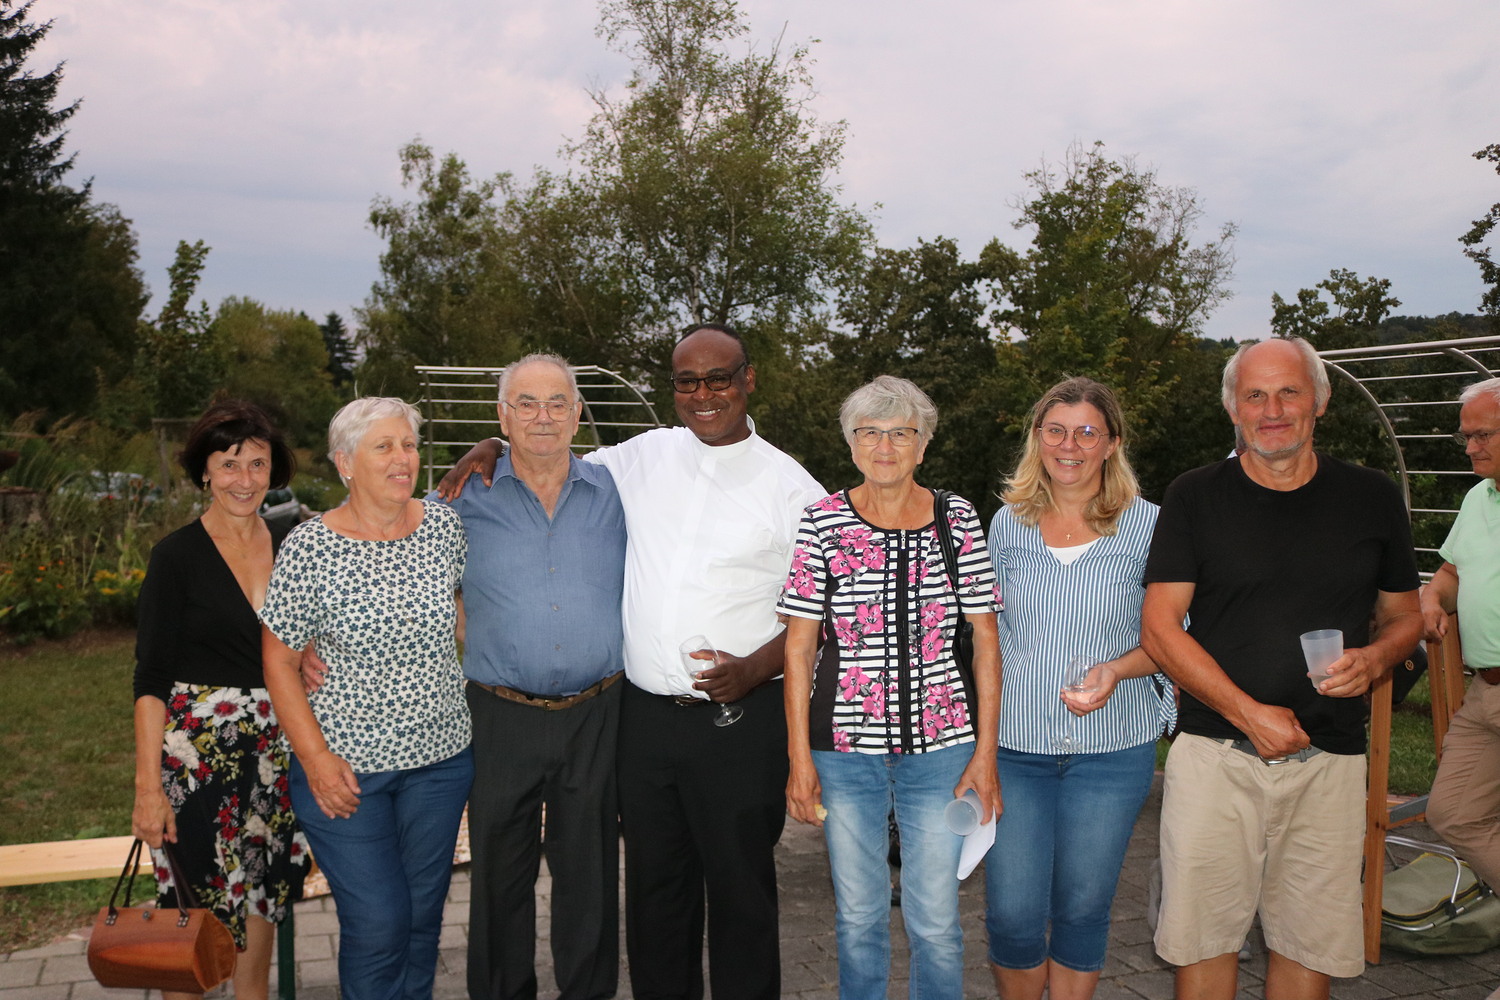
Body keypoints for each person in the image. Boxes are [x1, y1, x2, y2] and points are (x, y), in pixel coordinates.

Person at [440, 324, 825, 1000]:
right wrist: (492, 447)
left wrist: (754, 669)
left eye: (719, 378)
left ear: (748, 380)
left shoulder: (794, 489)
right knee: (655, 894)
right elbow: (546, 451)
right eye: (687, 381)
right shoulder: (642, 456)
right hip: (642, 723)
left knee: (740, 893)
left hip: (738, 723)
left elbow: (823, 614)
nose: (704, 394)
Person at [1141, 336, 1422, 1000]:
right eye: (1255, 395)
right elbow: (1159, 628)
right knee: (1203, 947)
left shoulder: (1372, 496)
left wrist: (1376, 658)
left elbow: (1405, 617)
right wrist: (1248, 714)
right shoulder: (1195, 496)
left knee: (1307, 949)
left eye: (1289, 392)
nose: (1272, 410)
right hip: (1215, 757)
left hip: (1330, 761)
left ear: (1319, 401)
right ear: (1233, 409)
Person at [778, 375, 1001, 1000]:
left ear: (923, 445)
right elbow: (799, 648)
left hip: (943, 750)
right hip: (844, 753)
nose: (884, 447)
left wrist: (985, 755)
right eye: (869, 433)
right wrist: (799, 760)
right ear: (850, 444)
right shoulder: (822, 522)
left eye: (900, 433)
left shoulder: (957, 518)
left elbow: (986, 642)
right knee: (858, 916)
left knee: (936, 921)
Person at [261, 397, 472, 1000]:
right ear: (346, 463)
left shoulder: (444, 529)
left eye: (408, 445)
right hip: (346, 771)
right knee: (379, 922)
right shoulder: (310, 547)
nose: (403, 458)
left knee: (421, 917)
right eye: (384, 446)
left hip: (440, 762)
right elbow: (278, 660)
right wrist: (316, 760)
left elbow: (463, 618)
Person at [983, 377, 1174, 1000]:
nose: (1070, 446)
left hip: (1112, 752)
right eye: (1056, 431)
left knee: (1083, 908)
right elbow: (988, 635)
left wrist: (1116, 670)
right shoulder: (1007, 524)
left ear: (1112, 442)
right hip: (1015, 748)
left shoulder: (1151, 526)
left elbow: (1174, 637)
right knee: (1013, 913)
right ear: (1037, 439)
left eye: (1087, 432)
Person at [444, 354, 627, 1000]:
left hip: (596, 714)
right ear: (503, 416)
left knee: (590, 879)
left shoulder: (617, 493)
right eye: (526, 403)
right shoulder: (460, 499)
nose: (542, 417)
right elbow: (390, 546)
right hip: (499, 716)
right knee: (499, 878)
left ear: (577, 415)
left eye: (556, 403)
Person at [132, 400, 310, 1000]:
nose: (244, 479)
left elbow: (298, 641)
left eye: (257, 463)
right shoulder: (176, 557)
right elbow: (150, 679)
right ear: (205, 471)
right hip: (195, 765)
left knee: (262, 903)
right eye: (228, 463)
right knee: (192, 926)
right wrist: (148, 788)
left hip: (274, 755)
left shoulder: (293, 545)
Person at [1422, 376, 1500, 890]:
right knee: (1453, 812)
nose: (1471, 447)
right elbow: (1451, 573)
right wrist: (1431, 598)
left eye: (1483, 435)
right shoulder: (1478, 497)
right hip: (1484, 690)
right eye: (1465, 436)